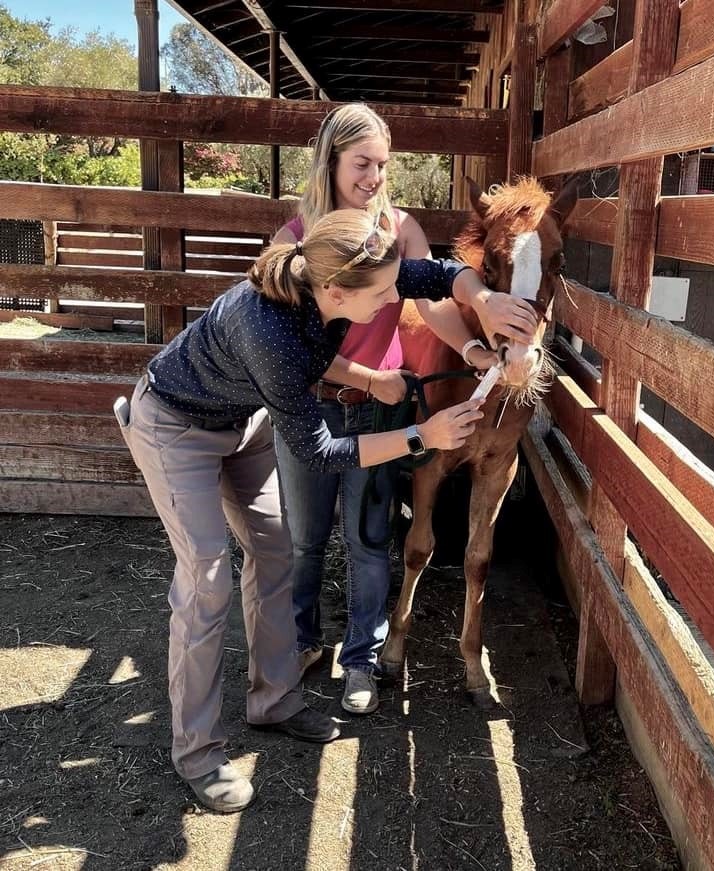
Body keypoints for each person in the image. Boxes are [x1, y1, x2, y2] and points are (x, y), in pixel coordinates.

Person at [117, 208, 535, 814]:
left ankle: (273, 699)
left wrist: (487, 300)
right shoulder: (272, 332)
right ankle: (198, 753)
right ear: (337, 293)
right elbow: (320, 451)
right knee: (208, 579)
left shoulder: (338, 281)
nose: (395, 302)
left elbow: (436, 274)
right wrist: (424, 436)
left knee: (275, 551)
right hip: (176, 425)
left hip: (241, 419)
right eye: (384, 295)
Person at [272, 104, 519, 717]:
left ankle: (359, 659)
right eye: (362, 163)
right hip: (311, 407)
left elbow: (436, 292)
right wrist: (369, 376)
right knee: (304, 539)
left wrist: (470, 340)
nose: (374, 177)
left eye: (383, 165)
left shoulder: (398, 229)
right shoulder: (294, 240)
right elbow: (283, 345)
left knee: (369, 538)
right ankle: (301, 644)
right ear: (329, 162)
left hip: (378, 413)